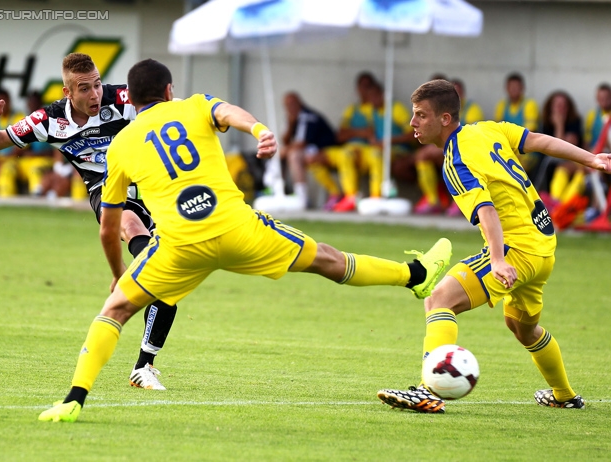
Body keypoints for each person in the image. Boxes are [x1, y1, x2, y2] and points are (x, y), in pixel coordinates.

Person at [37, 58, 453, 423]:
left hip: (178, 246)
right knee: (328, 260)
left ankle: (74, 399)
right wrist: (258, 129)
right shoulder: (194, 105)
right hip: (237, 228)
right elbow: (229, 111)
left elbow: (110, 227)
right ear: (169, 91)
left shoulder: (122, 145)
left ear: (132, 99)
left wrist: (118, 274)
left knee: (114, 311)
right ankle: (414, 276)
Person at [377, 79, 611, 413]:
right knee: (522, 327)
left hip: (516, 251)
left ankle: (428, 390)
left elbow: (485, 209)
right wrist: (591, 159)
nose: (412, 123)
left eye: (420, 115)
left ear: (445, 119)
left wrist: (498, 260)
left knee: (439, 298)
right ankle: (565, 396)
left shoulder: (455, 160)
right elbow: (540, 140)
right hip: (544, 247)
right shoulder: (487, 129)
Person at [0, 53, 179, 390]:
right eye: (84, 88)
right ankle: (142, 274)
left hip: (151, 185)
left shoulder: (122, 99)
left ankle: (145, 364)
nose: (95, 94)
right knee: (134, 231)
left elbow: (169, 114)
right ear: (67, 93)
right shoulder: (48, 119)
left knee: (170, 279)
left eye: (98, 84)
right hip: (106, 190)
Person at [413, 78, 484, 216]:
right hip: (446, 147)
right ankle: (433, 200)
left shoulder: (472, 110)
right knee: (422, 156)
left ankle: (461, 203)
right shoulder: (440, 110)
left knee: (457, 162)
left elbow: (470, 136)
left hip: (467, 150)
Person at [279, 92, 344, 209]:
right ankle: (278, 189)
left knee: (295, 156)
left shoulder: (308, 116)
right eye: (287, 105)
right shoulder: (290, 118)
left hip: (326, 150)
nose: (290, 107)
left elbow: (302, 143)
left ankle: (302, 196)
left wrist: (285, 150)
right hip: (312, 153)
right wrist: (290, 124)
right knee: (284, 155)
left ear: (300, 103)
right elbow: (285, 140)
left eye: (293, 103)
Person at [330, 71, 378, 212]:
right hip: (352, 148)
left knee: (377, 156)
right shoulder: (352, 109)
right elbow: (340, 135)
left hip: (370, 149)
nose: (365, 90)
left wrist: (353, 133)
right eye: (362, 86)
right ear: (357, 89)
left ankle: (376, 197)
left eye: (368, 86)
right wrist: (362, 132)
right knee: (343, 154)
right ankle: (350, 196)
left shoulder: (376, 108)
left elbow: (374, 133)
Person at [537, 91, 585, 218]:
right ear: (550, 107)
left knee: (580, 174)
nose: (560, 109)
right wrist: (559, 127)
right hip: (553, 165)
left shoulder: (575, 122)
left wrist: (559, 125)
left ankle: (560, 208)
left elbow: (564, 150)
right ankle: (560, 208)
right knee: (560, 170)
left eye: (563, 105)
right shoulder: (545, 124)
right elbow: (558, 152)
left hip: (577, 162)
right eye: (557, 105)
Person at [494, 72, 541, 177]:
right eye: (511, 87)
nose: (514, 89)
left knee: (513, 170)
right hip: (507, 150)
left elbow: (528, 133)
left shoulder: (530, 105)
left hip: (528, 152)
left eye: (517, 87)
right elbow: (496, 131)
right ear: (506, 88)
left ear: (522, 88)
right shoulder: (501, 106)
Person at [584, 83, 611, 151]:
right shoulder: (591, 115)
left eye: (607, 98)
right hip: (595, 151)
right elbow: (587, 138)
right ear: (597, 98)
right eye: (601, 98)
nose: (604, 101)